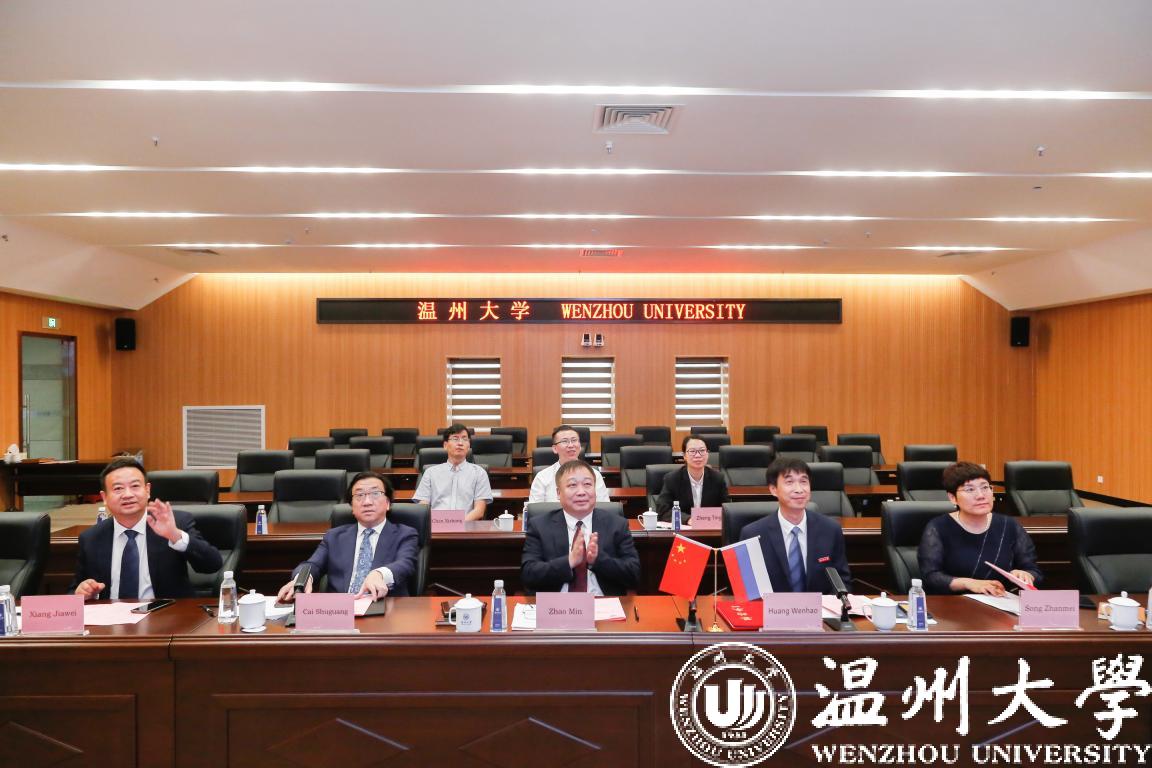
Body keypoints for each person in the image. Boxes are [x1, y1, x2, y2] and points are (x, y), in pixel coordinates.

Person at [70, 457, 223, 600]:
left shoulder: (176, 523)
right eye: (118, 488)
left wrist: (175, 536)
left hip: (166, 615)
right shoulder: (91, 538)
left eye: (135, 486)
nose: (127, 494)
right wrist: (82, 592)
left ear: (148, 490)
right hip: (111, 618)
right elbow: (74, 591)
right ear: (104, 497)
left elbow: (212, 565)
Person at [277, 472, 419, 601]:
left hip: (385, 607)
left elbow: (405, 564)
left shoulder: (405, 534)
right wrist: (302, 579)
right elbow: (313, 564)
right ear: (352, 507)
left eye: (375, 493)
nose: (367, 502)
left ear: (387, 503)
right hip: (338, 610)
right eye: (359, 495)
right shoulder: (334, 536)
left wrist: (379, 574)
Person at [918, 461, 1041, 596]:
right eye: (970, 490)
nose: (981, 495)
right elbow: (931, 576)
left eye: (985, 487)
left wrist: (1026, 575)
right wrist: (969, 583)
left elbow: (1033, 570)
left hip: (1000, 601)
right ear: (953, 498)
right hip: (953, 603)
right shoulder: (938, 527)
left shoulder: (1010, 525)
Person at [521, 460, 641, 596]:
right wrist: (569, 561)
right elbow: (528, 575)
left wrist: (598, 560)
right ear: (558, 493)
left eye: (587, 484)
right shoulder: (540, 525)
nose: (581, 492)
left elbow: (634, 575)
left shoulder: (617, 524)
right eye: (572, 485)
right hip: (556, 604)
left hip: (602, 603)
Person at [737, 458, 852, 594]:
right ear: (773, 489)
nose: (799, 490)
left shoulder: (831, 530)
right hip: (772, 607)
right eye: (789, 482)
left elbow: (842, 582)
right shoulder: (752, 534)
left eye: (803, 481)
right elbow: (747, 590)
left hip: (820, 607)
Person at [412, 423, 492, 521]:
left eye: (464, 439)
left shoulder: (479, 473)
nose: (460, 443)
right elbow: (423, 507)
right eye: (455, 439)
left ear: (469, 446)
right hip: (436, 526)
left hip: (467, 526)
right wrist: (439, 523)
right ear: (445, 445)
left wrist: (457, 524)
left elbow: (479, 511)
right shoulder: (430, 473)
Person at [655, 435, 730, 521]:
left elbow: (726, 511)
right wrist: (688, 519)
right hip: (683, 527)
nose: (697, 455)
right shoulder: (672, 479)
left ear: (707, 454)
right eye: (692, 451)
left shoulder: (718, 478)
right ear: (684, 456)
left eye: (702, 451)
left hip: (709, 526)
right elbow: (663, 511)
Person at [528, 425, 610, 503]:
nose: (571, 445)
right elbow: (534, 509)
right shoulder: (542, 477)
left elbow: (604, 506)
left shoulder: (595, 475)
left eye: (574, 440)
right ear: (555, 448)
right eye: (565, 441)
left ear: (580, 446)